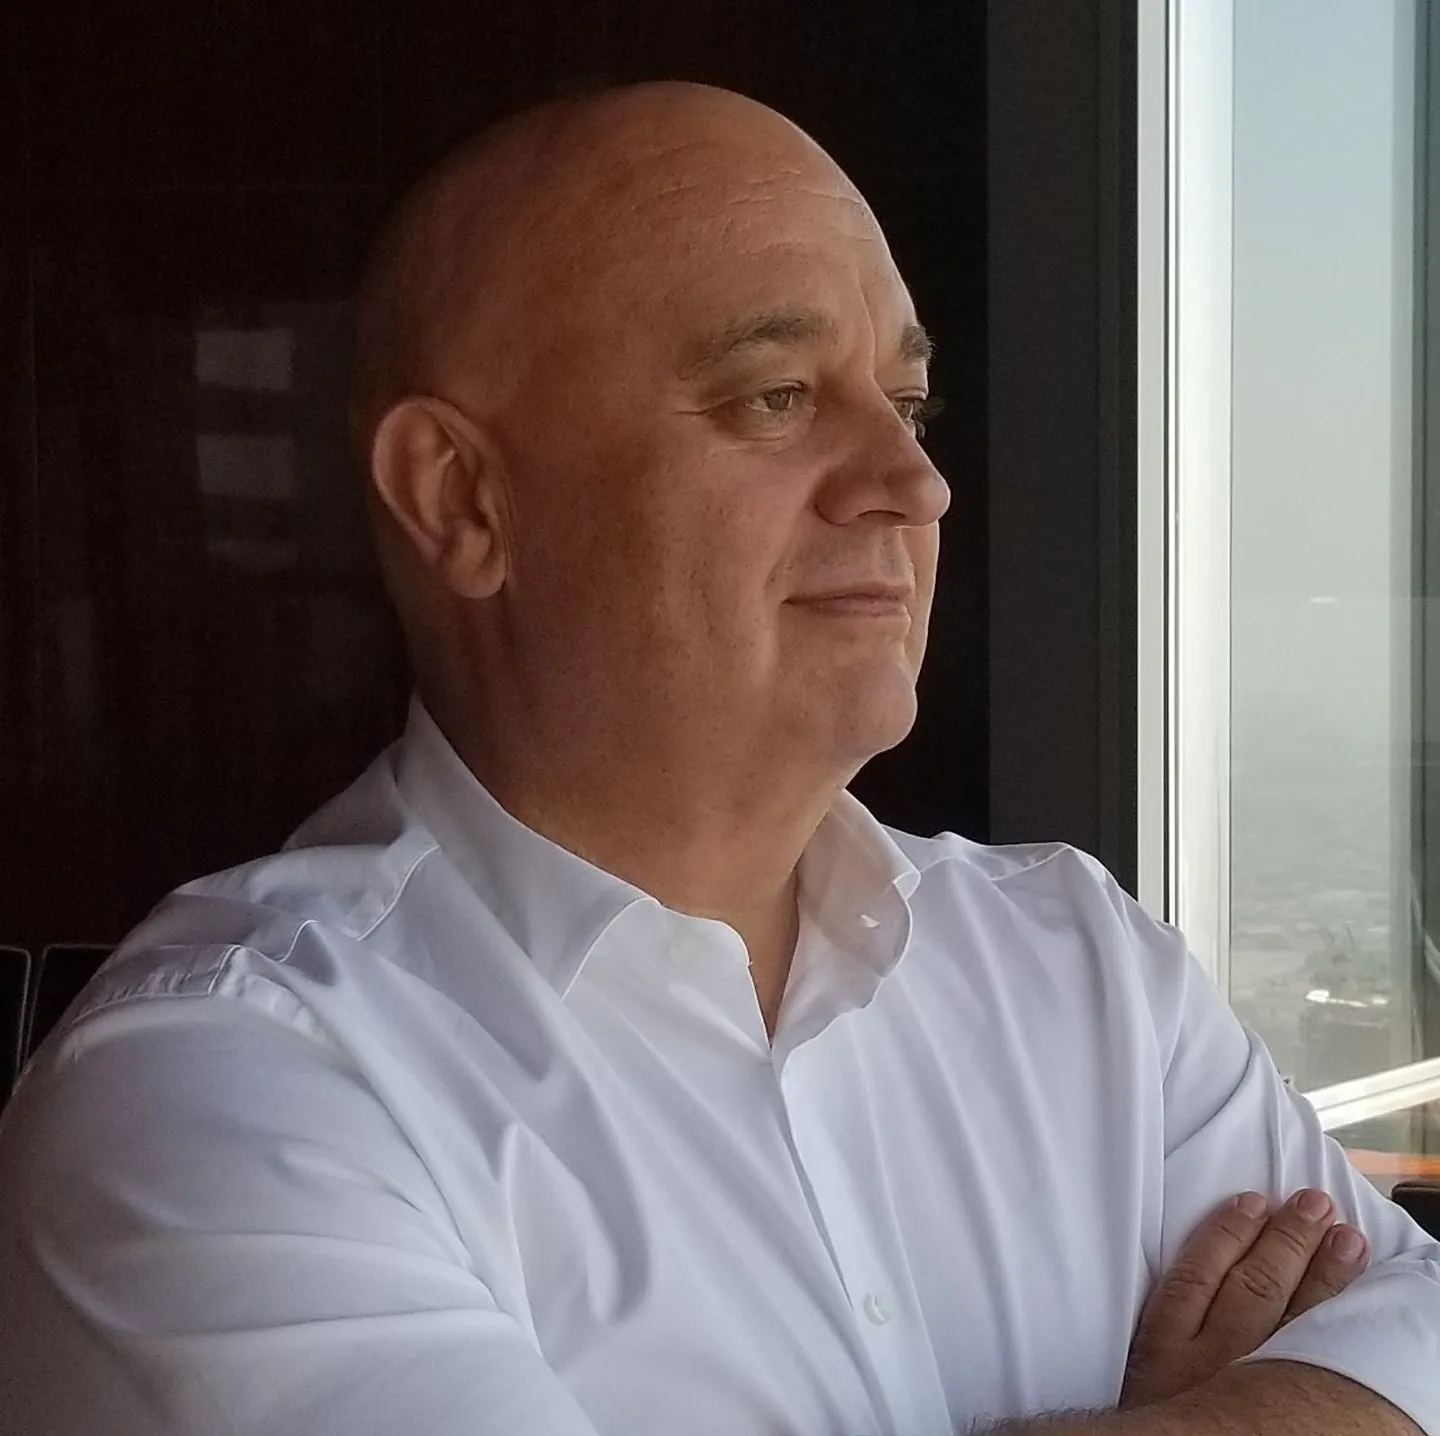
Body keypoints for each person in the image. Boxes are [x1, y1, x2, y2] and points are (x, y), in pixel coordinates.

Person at [0, 81, 1435, 1436]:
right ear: (464, 501)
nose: (916, 484)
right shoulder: (212, 1092)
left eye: (907, 404)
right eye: (777, 397)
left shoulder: (1082, 968)